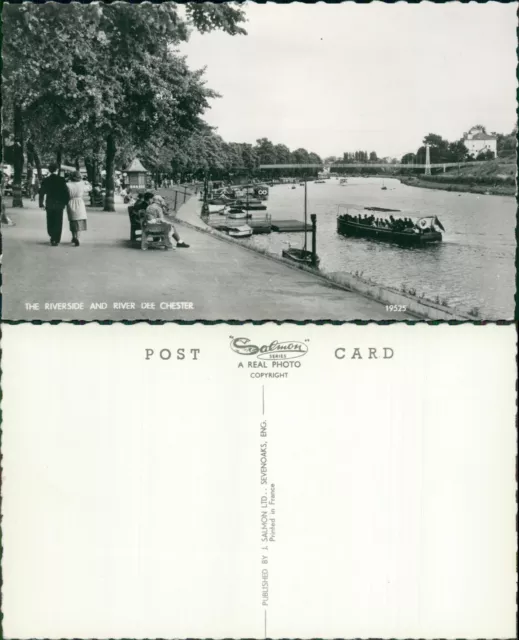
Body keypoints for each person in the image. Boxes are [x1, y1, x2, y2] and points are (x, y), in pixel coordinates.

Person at [39, 163, 69, 246]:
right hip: (59, 204)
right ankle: (56, 239)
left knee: (50, 220)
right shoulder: (61, 180)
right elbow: (65, 192)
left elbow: (41, 192)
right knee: (58, 221)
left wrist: (41, 203)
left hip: (50, 203)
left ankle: (52, 235)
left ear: (49, 170)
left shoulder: (46, 180)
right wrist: (66, 202)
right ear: (57, 170)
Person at [66, 171, 88, 246]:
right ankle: (78, 237)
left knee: (72, 220)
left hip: (71, 202)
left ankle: (73, 236)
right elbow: (89, 188)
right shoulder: (82, 184)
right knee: (79, 220)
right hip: (79, 202)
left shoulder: (68, 184)